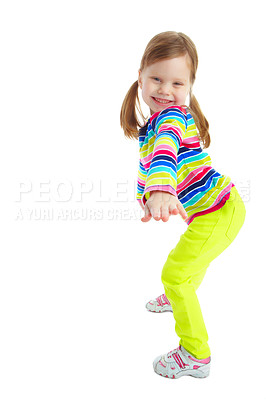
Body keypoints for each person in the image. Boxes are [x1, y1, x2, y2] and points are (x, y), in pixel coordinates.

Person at [120, 31, 246, 380]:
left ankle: (195, 353)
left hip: (220, 213)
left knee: (173, 274)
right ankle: (179, 295)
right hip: (211, 213)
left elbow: (164, 155)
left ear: (189, 85)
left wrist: (162, 188)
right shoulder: (155, 122)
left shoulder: (172, 118)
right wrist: (148, 196)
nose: (164, 89)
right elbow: (150, 162)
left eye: (177, 82)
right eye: (156, 78)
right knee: (185, 267)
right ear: (141, 75)